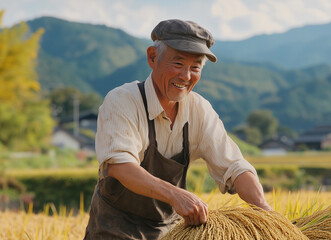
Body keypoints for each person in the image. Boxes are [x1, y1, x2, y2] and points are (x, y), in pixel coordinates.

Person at [84, 19, 271, 240]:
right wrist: (175, 195)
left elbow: (235, 167)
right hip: (113, 229)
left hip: (169, 232)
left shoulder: (199, 110)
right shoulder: (122, 101)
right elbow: (120, 166)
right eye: (178, 63)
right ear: (152, 57)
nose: (186, 76)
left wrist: (266, 214)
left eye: (195, 67)